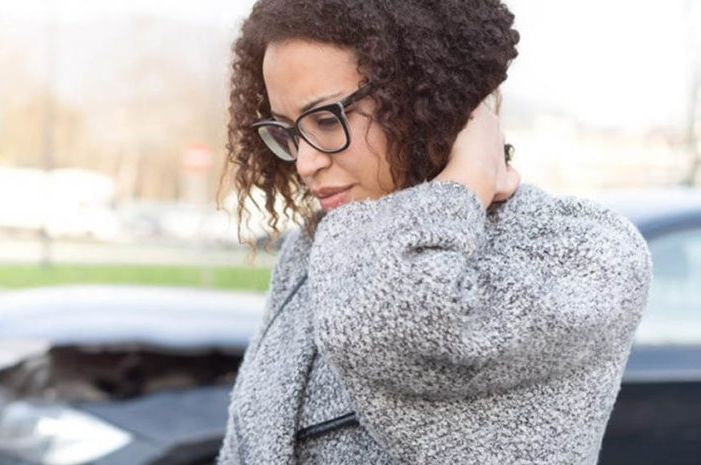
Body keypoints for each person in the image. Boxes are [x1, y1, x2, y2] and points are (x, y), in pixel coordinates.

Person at [216, 0, 653, 464]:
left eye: (326, 120)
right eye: (287, 132)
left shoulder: (582, 251)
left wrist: (464, 180)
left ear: (423, 92)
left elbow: (392, 323)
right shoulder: (315, 248)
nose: (305, 162)